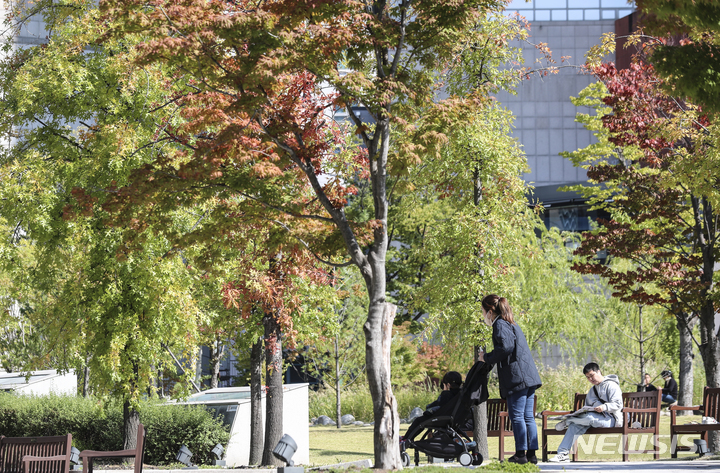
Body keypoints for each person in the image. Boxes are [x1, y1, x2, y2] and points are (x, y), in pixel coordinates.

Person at [479, 295, 542, 465]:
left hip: (517, 378)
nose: (483, 315)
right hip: (528, 376)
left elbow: (506, 347)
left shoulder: (499, 324)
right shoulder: (512, 323)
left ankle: (520, 454)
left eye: (483, 311)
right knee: (528, 417)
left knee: (517, 417)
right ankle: (531, 454)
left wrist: (487, 357)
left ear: (490, 311)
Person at [549, 362, 623, 462]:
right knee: (575, 426)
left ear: (599, 372)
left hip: (612, 420)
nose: (590, 379)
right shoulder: (593, 390)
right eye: (588, 377)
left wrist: (604, 407)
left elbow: (618, 404)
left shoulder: (612, 385)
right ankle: (563, 454)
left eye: (592, 375)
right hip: (594, 419)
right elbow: (587, 407)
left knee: (588, 418)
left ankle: (568, 421)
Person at [401, 371, 463, 442]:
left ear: (448, 385)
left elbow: (440, 405)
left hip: (442, 419)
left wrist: (445, 391)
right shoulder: (460, 395)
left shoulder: (447, 395)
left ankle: (407, 438)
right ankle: (407, 438)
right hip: (454, 419)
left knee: (418, 421)